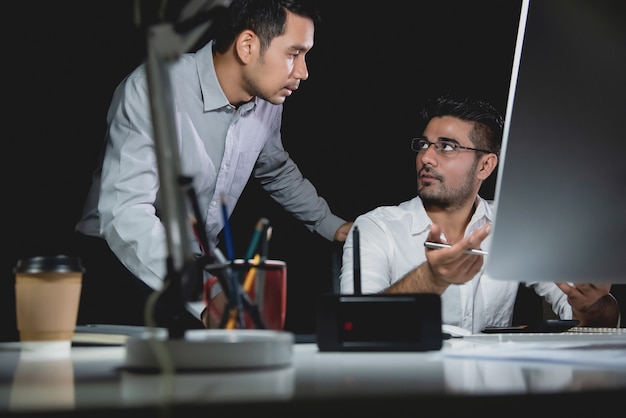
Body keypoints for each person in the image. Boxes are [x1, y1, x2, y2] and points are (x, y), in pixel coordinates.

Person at [74, 0, 352, 329]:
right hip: (120, 262)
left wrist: (332, 226)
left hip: (200, 266)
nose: (304, 72)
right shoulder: (152, 89)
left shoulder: (267, 97)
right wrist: (204, 293)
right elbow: (125, 214)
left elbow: (275, 169)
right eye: (294, 54)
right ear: (247, 46)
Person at [340, 95, 620, 333]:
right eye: (424, 144)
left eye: (446, 146)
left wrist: (593, 305)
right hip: (408, 390)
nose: (426, 157)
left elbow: (587, 318)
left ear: (485, 166)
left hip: (496, 392)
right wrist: (431, 278)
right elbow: (352, 326)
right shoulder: (375, 228)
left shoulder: (515, 224)